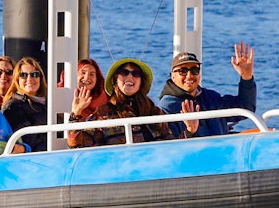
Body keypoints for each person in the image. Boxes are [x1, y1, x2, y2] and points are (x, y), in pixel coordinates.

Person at [68, 58, 196, 147]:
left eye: (136, 73)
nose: (130, 77)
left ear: (141, 82)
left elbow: (170, 146)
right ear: (115, 80)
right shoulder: (103, 114)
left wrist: (189, 131)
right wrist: (76, 114)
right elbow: (79, 145)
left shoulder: (153, 111)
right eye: (124, 73)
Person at [157, 44, 256, 138]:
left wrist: (246, 78)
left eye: (195, 70)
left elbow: (245, 109)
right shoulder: (167, 108)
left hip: (222, 152)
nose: (189, 75)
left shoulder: (211, 97)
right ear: (172, 76)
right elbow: (170, 147)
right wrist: (190, 131)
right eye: (183, 71)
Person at [1, 56, 48, 152]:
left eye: (34, 74)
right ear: (17, 79)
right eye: (24, 75)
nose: (29, 79)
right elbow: (29, 142)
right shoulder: (13, 107)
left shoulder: (49, 103)